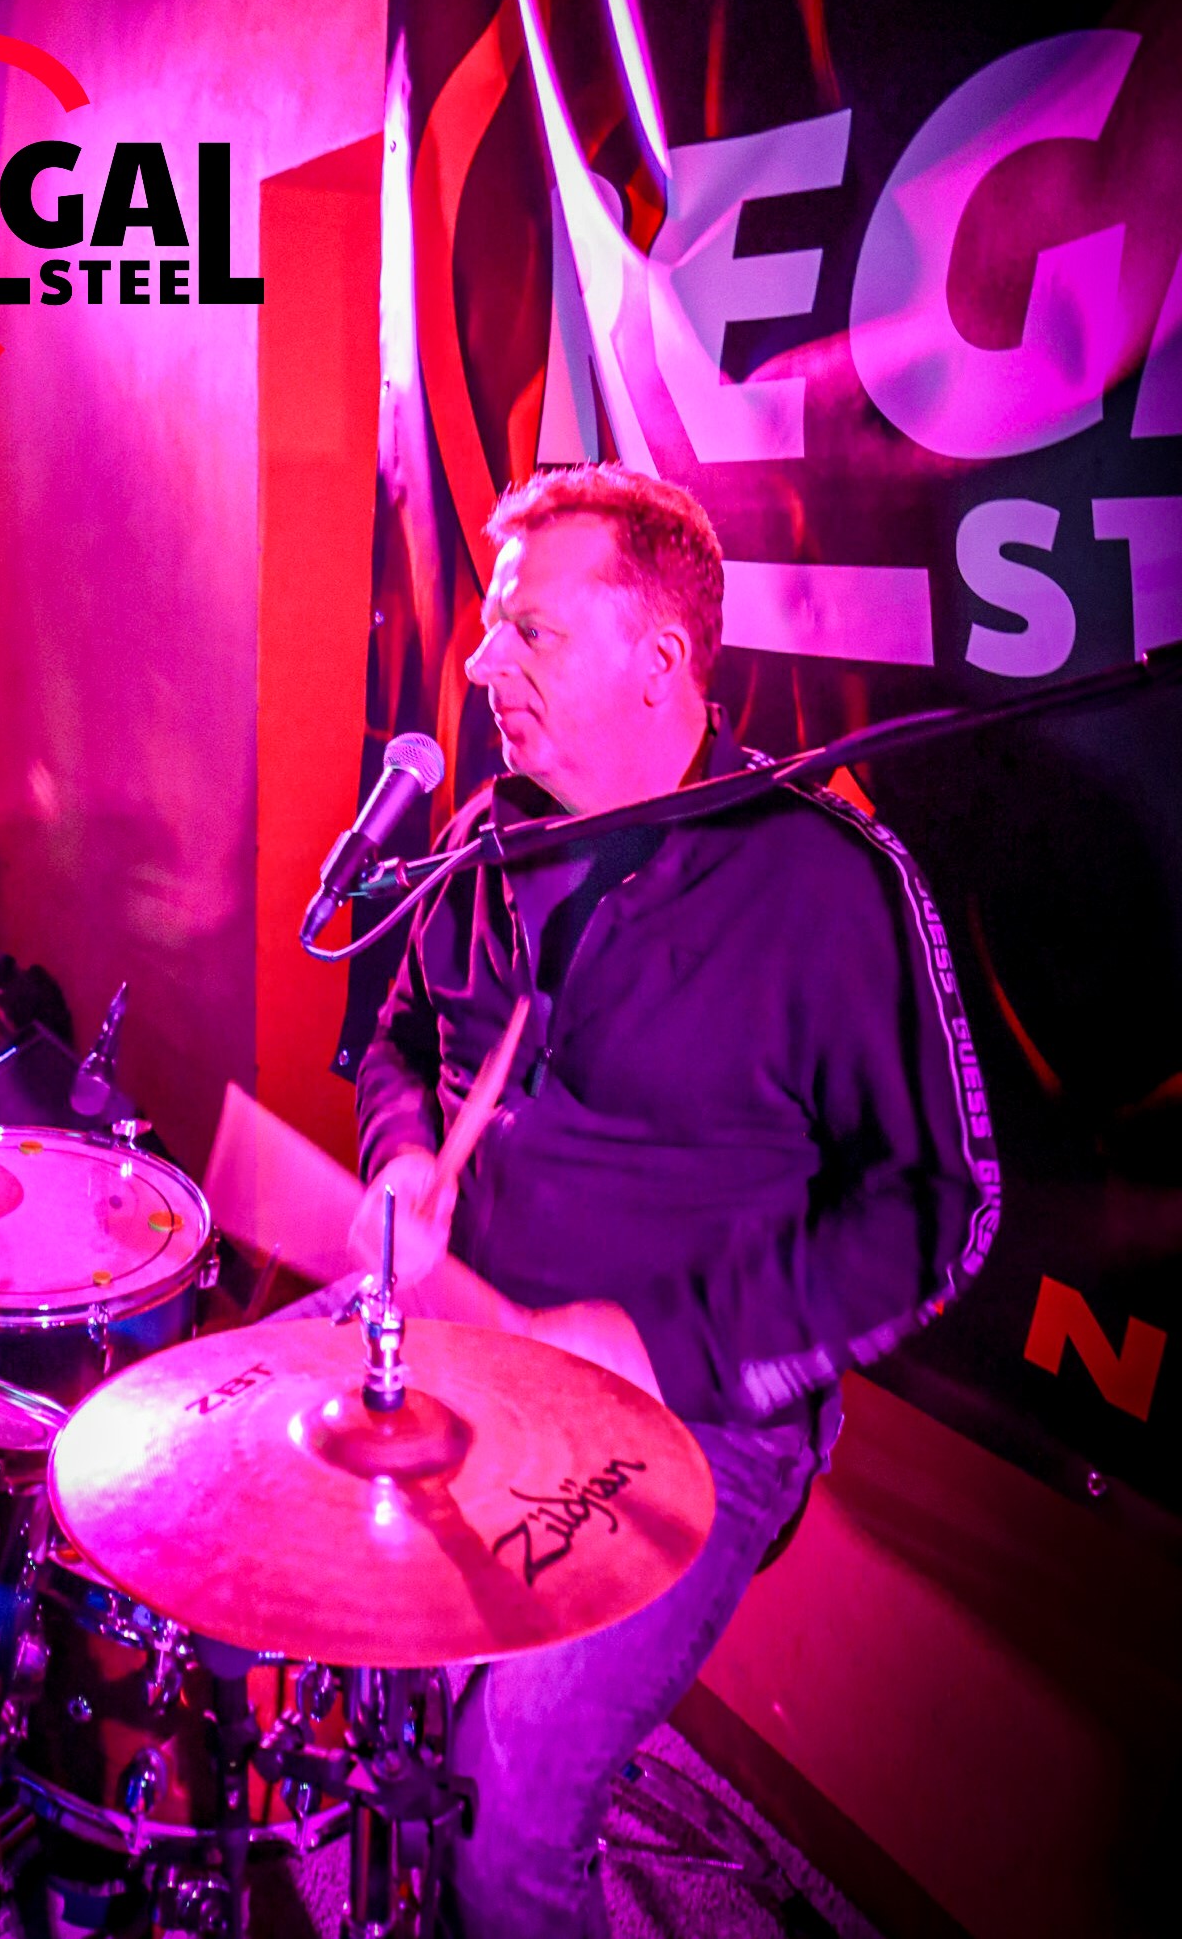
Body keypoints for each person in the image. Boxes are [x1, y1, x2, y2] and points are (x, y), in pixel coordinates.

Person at [347, 464, 999, 1937]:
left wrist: (651, 1344)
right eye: (487, 626)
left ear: (658, 662)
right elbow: (395, 1036)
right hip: (463, 1338)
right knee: (291, 1589)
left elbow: (939, 1208)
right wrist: (399, 1155)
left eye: (527, 631)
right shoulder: (483, 833)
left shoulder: (826, 882)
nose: (480, 664)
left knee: (506, 1812)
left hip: (696, 1415)